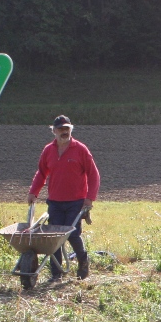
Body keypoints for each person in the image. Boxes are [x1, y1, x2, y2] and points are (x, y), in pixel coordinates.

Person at [28, 115, 100, 279]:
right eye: (60, 129)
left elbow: (93, 175)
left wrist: (89, 199)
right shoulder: (48, 150)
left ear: (71, 130)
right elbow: (41, 173)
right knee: (54, 238)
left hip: (76, 202)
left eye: (67, 129)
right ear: (53, 131)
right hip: (55, 202)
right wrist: (33, 192)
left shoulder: (80, 149)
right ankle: (56, 273)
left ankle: (83, 262)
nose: (64, 132)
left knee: (72, 234)